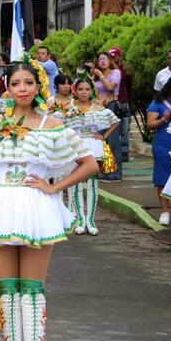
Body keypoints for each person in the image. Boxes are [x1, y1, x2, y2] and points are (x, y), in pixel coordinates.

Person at [0, 61, 98, 341]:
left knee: (32, 292)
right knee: (8, 292)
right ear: (7, 89)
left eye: (28, 82)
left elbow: (89, 164)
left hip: (36, 209)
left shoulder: (53, 126)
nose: (22, 88)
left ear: (38, 86)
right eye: (15, 83)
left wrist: (55, 188)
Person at [66, 73, 119, 235]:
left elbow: (116, 121)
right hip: (75, 146)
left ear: (91, 91)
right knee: (75, 184)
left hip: (94, 146)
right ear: (75, 90)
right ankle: (81, 219)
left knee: (92, 184)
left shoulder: (99, 108)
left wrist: (103, 136)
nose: (83, 92)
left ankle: (91, 220)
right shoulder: (68, 108)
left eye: (87, 89)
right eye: (80, 89)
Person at [147, 75, 171, 225]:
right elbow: (150, 124)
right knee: (162, 178)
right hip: (163, 145)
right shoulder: (157, 103)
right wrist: (165, 118)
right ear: (170, 87)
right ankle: (165, 212)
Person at [92, 52, 123, 180]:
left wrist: (100, 75)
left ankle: (115, 173)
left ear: (110, 61)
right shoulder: (94, 76)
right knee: (100, 140)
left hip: (111, 107)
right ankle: (103, 170)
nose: (103, 61)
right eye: (100, 59)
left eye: (105, 59)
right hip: (98, 109)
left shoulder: (116, 73)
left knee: (113, 141)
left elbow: (110, 87)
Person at [109, 48, 132, 161]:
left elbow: (128, 85)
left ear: (119, 56)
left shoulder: (124, 70)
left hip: (123, 101)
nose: (112, 59)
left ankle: (124, 153)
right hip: (109, 102)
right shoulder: (106, 71)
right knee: (111, 128)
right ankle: (112, 152)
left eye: (114, 56)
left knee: (124, 129)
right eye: (110, 57)